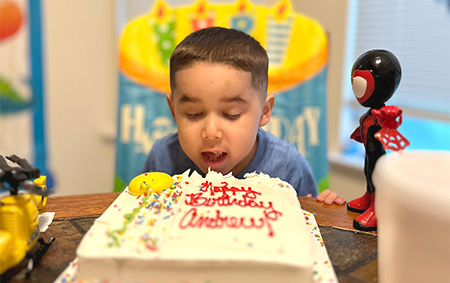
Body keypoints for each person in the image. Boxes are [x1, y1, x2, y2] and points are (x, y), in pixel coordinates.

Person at [142, 27, 345, 205]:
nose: (211, 132)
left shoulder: (288, 168)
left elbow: (309, 231)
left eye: (232, 114)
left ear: (264, 112)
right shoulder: (163, 159)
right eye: (193, 114)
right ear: (173, 110)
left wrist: (323, 207)